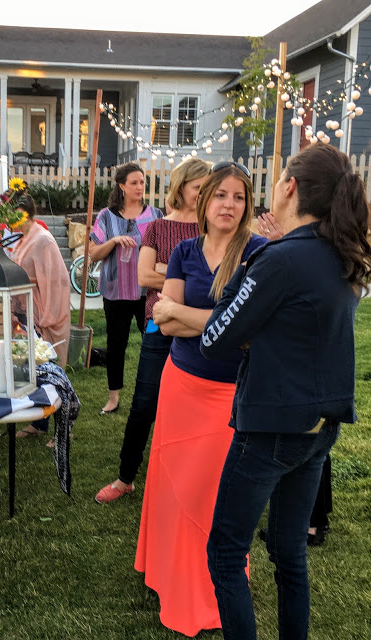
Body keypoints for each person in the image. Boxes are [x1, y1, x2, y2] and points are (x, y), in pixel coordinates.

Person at [201, 144, 370, 640]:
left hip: (271, 428)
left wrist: (252, 270)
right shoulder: (340, 253)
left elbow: (214, 338)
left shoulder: (282, 259)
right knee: (288, 552)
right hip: (320, 427)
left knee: (226, 554)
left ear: (290, 187)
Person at [134, 162, 267, 637]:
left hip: (231, 394)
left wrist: (183, 311)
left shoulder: (259, 253)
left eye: (238, 196)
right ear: (203, 200)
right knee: (174, 486)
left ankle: (211, 589)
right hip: (181, 384)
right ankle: (167, 574)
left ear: (247, 204)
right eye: (221, 195)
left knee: (212, 495)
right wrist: (217, 319)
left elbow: (248, 334)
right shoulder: (185, 249)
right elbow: (164, 325)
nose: (229, 204)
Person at [95, 158, 210, 503]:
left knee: (195, 408)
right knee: (144, 404)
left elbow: (220, 283)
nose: (205, 195)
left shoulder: (212, 230)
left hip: (200, 328)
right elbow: (144, 278)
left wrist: (167, 270)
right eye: (199, 188)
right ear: (182, 187)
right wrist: (192, 281)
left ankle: (190, 480)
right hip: (159, 325)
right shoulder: (158, 227)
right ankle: (125, 477)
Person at [89, 163, 161, 415]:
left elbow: (163, 253)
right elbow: (94, 254)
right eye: (134, 182)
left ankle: (159, 395)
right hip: (115, 292)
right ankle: (113, 398)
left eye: (142, 182)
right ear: (121, 186)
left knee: (155, 342)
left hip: (147, 292)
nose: (140, 187)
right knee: (116, 345)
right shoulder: (106, 217)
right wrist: (113, 240)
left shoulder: (155, 215)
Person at [12, 194, 71, 441]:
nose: (7, 221)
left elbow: (57, 280)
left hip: (45, 313)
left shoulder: (42, 239)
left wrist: (47, 318)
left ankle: (64, 430)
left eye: (11, 215)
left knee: (54, 374)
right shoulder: (23, 237)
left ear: (24, 214)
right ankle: (39, 423)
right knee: (36, 372)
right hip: (28, 311)